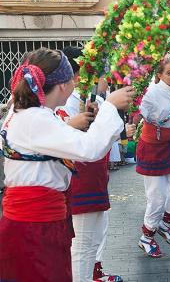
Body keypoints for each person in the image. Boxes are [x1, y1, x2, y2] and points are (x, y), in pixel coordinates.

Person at [0, 48, 133, 281]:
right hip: (35, 226)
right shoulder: (35, 118)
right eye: (72, 78)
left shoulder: (26, 112)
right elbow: (89, 149)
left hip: (33, 221)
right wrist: (111, 106)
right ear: (63, 85)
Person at [55, 46, 130, 282]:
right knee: (82, 245)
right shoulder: (60, 105)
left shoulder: (87, 100)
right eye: (93, 72)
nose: (101, 79)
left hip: (94, 177)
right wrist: (109, 107)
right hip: (79, 180)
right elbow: (81, 145)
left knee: (92, 239)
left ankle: (93, 273)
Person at [136, 55, 170, 258]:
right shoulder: (151, 94)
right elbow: (138, 112)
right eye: (169, 72)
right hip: (150, 148)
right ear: (159, 75)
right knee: (156, 198)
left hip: (168, 146)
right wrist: (130, 125)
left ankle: (163, 224)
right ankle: (146, 237)